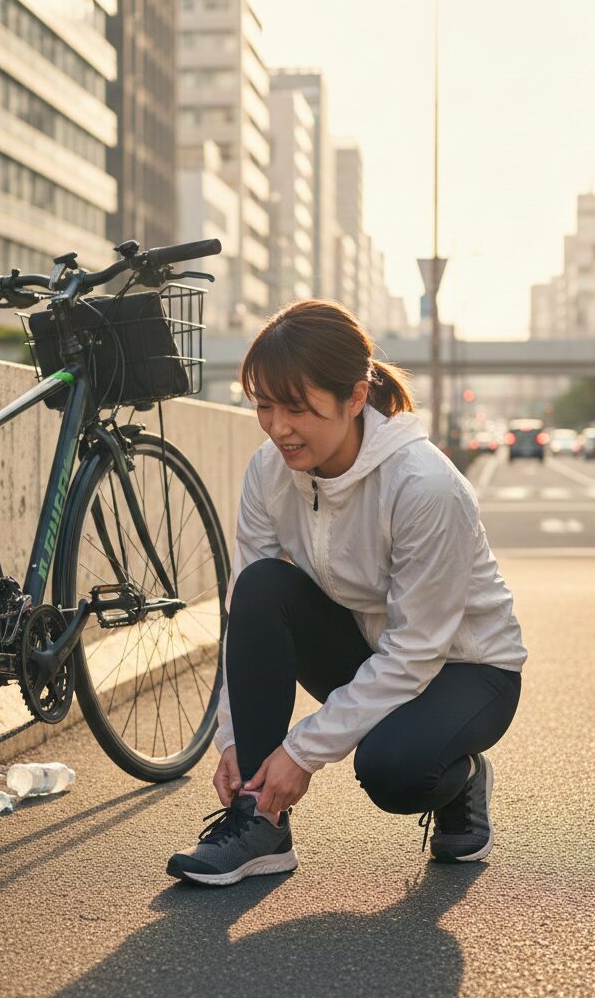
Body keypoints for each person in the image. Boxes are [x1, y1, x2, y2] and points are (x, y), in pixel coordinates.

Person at [166, 300, 527, 888]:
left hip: (468, 668)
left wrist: (301, 752)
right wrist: (234, 741)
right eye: (264, 405)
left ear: (356, 398)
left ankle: (460, 777)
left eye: (297, 408)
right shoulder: (268, 471)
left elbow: (416, 650)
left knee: (392, 769)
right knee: (260, 586)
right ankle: (260, 822)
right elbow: (246, 612)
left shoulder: (425, 486)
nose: (278, 427)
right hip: (369, 647)